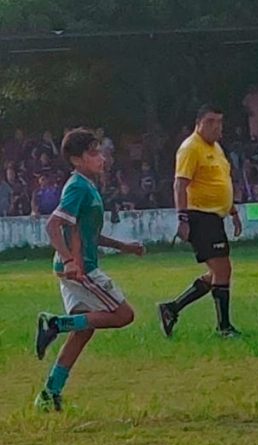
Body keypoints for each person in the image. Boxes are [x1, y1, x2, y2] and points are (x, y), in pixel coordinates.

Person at [33, 129, 145, 412]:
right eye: (93, 153)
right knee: (123, 315)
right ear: (76, 159)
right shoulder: (78, 186)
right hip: (80, 270)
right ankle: (55, 324)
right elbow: (52, 226)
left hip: (76, 267)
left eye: (100, 151)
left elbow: (89, 232)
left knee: (85, 330)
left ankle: (49, 393)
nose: (101, 158)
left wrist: (124, 246)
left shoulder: (88, 186)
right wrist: (71, 261)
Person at [158, 105, 243, 339]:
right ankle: (223, 327)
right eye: (211, 121)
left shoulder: (216, 148)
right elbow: (180, 184)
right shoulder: (190, 148)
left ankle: (171, 308)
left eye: (220, 121)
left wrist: (233, 211)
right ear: (199, 123)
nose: (216, 126)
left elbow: (219, 181)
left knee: (216, 272)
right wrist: (182, 218)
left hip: (215, 216)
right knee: (223, 269)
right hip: (200, 216)